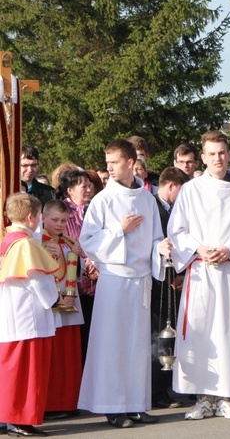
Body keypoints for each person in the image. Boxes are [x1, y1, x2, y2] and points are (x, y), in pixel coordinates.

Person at [77, 139, 171, 429]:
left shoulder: (146, 198)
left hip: (140, 279)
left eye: (114, 162)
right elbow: (88, 242)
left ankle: (136, 403)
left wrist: (161, 247)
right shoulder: (103, 200)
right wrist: (120, 229)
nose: (109, 168)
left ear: (131, 163)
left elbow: (155, 237)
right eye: (107, 163)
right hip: (116, 279)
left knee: (138, 345)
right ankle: (112, 406)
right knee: (113, 345)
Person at [169, 130, 230, 420]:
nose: (217, 158)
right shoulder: (191, 189)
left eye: (222, 152)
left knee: (227, 331)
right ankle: (202, 397)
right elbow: (177, 230)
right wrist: (198, 248)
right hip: (200, 269)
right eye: (211, 154)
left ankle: (223, 396)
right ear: (203, 158)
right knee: (198, 331)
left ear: (229, 154)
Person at [0, 193, 61, 438]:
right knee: (26, 370)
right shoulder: (25, 243)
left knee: (12, 368)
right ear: (31, 216)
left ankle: (9, 417)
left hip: (14, 313)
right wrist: (54, 298)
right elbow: (38, 278)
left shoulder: (9, 238)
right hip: (28, 315)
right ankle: (19, 419)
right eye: (38, 215)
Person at [41, 199, 85, 420]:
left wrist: (78, 253)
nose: (59, 225)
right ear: (43, 218)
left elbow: (79, 269)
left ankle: (69, 399)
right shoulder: (40, 241)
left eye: (63, 220)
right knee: (55, 354)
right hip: (53, 300)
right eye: (54, 220)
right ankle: (51, 403)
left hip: (71, 299)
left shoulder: (68, 241)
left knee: (70, 352)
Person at [151, 167, 190, 409]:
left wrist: (180, 272)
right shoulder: (153, 207)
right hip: (156, 282)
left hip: (172, 279)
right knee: (159, 334)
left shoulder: (172, 209)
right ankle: (157, 390)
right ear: (172, 186)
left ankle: (167, 385)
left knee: (169, 333)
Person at [56, 169, 96, 364]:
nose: (88, 190)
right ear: (70, 191)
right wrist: (85, 259)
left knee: (93, 333)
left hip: (96, 281)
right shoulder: (63, 213)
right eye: (83, 186)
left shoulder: (96, 209)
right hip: (73, 283)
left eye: (90, 186)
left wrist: (95, 259)